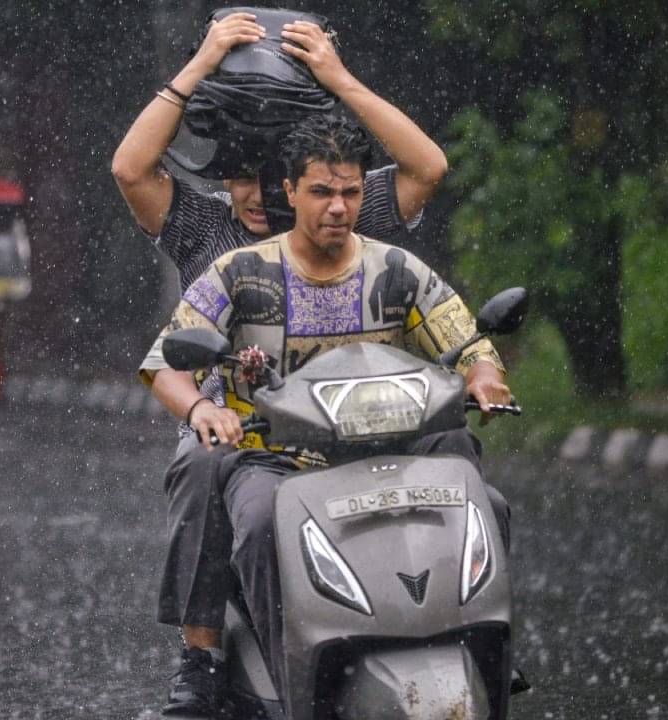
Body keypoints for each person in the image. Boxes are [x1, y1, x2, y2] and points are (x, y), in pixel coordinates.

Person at [111, 12, 451, 716]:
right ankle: (200, 659)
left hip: (358, 425)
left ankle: (454, 626)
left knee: (453, 452)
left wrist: (337, 78)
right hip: (240, 434)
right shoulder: (205, 227)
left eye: (275, 179)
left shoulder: (345, 217)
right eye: (239, 176)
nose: (258, 196)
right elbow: (129, 167)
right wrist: (201, 62)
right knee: (211, 467)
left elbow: (428, 166)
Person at [139, 114, 513, 704]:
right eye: (321, 192)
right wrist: (201, 411)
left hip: (395, 453)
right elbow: (167, 364)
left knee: (482, 496)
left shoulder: (397, 270)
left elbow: (468, 343)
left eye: (350, 192)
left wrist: (485, 378)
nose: (337, 208)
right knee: (260, 523)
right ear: (289, 192)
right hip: (273, 460)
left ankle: (481, 640)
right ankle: (284, 668)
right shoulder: (240, 272)